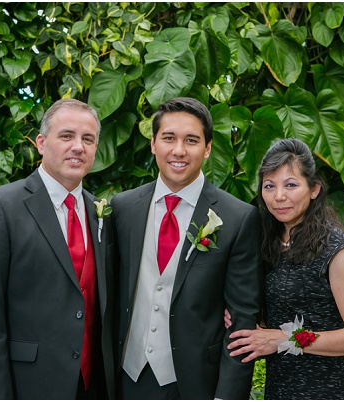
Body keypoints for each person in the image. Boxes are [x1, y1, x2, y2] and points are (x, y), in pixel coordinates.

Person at [0, 98, 117, 399]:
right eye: (66, 136)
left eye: (88, 139)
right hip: (29, 386)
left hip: (92, 387)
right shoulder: (0, 206)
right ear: (41, 143)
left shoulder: (101, 212)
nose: (78, 146)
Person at [112, 97, 261, 399]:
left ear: (207, 149)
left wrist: (226, 397)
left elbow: (242, 321)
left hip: (195, 384)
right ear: (153, 143)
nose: (178, 150)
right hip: (125, 378)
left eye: (191, 140)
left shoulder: (237, 217)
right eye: (168, 138)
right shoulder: (122, 208)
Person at [225, 138, 344, 399]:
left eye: (291, 185)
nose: (279, 196)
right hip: (278, 390)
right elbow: (280, 313)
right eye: (269, 186)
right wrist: (242, 317)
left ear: (314, 188)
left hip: (323, 391)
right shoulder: (268, 241)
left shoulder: (337, 250)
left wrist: (285, 339)